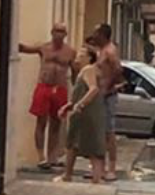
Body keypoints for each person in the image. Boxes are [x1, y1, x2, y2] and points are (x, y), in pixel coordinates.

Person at [19, 23, 77, 169]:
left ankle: (52, 157)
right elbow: (25, 48)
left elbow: (75, 71)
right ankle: (41, 157)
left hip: (60, 88)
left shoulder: (70, 51)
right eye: (57, 31)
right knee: (41, 121)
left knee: (56, 123)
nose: (59, 34)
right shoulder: (43, 47)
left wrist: (75, 92)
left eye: (62, 31)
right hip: (44, 86)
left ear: (66, 34)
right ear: (52, 32)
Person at [56, 44, 105, 183]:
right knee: (74, 144)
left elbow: (93, 89)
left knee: (87, 145)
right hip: (84, 112)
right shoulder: (88, 70)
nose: (78, 57)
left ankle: (93, 177)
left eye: (81, 55)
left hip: (86, 113)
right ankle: (69, 174)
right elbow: (80, 92)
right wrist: (69, 105)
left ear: (89, 58)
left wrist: (80, 104)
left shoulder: (88, 69)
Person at [93, 23, 124, 182]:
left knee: (109, 132)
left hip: (108, 96)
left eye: (95, 32)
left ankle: (111, 168)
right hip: (101, 95)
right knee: (101, 132)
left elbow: (118, 70)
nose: (93, 35)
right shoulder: (102, 50)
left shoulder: (110, 51)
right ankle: (101, 168)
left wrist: (108, 87)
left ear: (102, 34)